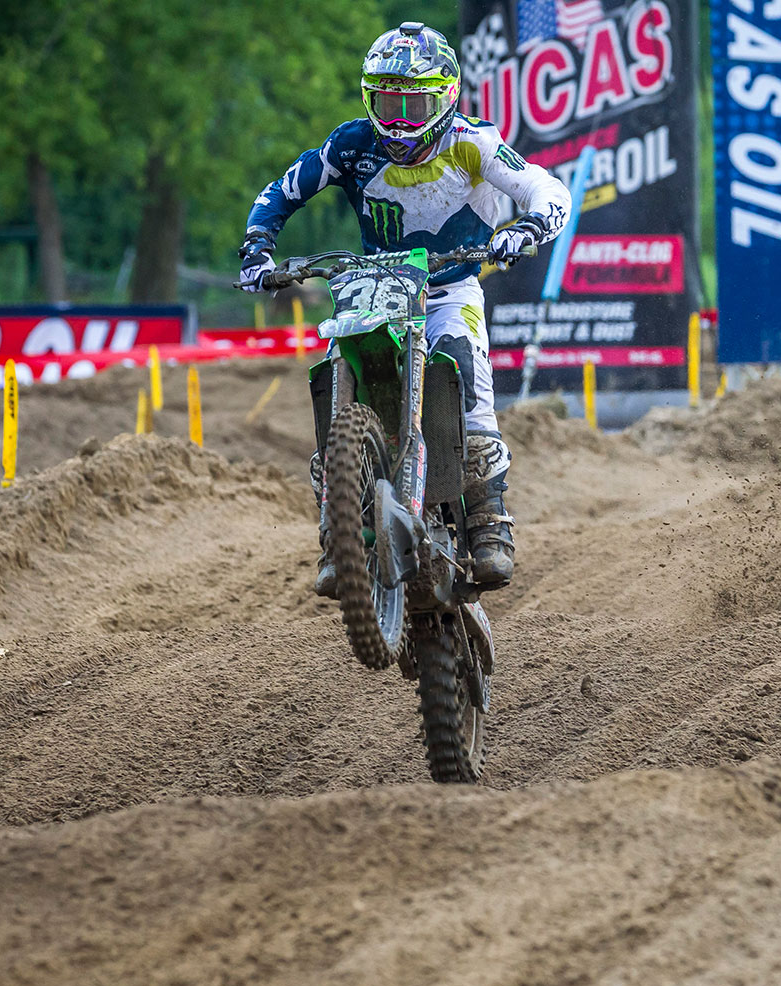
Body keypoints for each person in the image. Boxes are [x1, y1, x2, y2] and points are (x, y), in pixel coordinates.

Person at [239, 21, 570, 598]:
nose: (397, 123)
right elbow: (283, 191)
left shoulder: (472, 142)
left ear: (445, 97)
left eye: (412, 105)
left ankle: (489, 521)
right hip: (376, 283)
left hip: (450, 287)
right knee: (334, 371)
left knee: (466, 368)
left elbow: (545, 188)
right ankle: (338, 531)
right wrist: (258, 248)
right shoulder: (350, 144)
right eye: (387, 104)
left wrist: (529, 227)